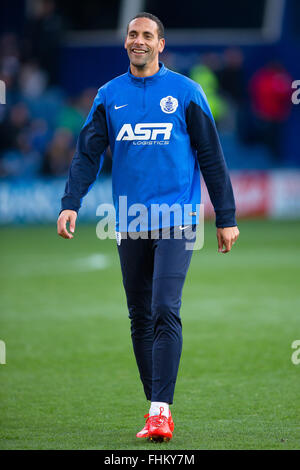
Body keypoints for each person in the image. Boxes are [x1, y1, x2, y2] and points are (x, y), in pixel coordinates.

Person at [57, 12, 239, 442]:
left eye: (147, 35)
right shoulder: (109, 96)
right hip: (129, 220)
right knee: (139, 317)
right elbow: (88, 154)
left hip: (178, 219)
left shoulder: (187, 93)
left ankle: (161, 410)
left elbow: (212, 157)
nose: (138, 41)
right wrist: (71, 203)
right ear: (126, 43)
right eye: (132, 34)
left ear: (161, 44)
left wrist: (226, 217)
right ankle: (156, 409)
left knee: (163, 308)